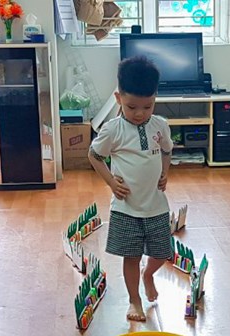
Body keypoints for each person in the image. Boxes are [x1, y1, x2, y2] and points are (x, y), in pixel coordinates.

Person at [89, 56, 174, 322]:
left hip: (156, 205)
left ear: (155, 98)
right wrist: (111, 182)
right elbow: (94, 155)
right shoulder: (112, 129)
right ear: (118, 98)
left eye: (147, 106)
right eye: (131, 107)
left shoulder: (160, 125)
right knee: (131, 256)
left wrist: (165, 172)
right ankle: (134, 300)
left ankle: (149, 274)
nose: (139, 113)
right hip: (126, 208)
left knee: (162, 253)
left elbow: (167, 150)